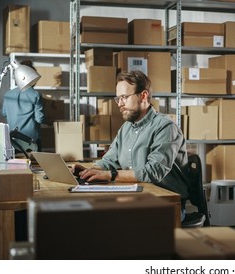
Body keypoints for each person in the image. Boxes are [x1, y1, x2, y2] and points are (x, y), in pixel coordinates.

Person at [72, 70, 190, 203]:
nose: (120, 104)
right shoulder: (126, 128)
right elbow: (109, 161)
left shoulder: (166, 127)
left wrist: (110, 175)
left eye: (124, 97)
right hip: (136, 196)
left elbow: (152, 172)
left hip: (165, 202)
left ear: (143, 96)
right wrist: (90, 171)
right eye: (118, 98)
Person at [1, 60, 44, 152]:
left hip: (12, 139)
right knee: (33, 165)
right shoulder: (35, 94)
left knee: (15, 165)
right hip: (30, 141)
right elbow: (39, 119)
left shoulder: (8, 94)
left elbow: (4, 112)